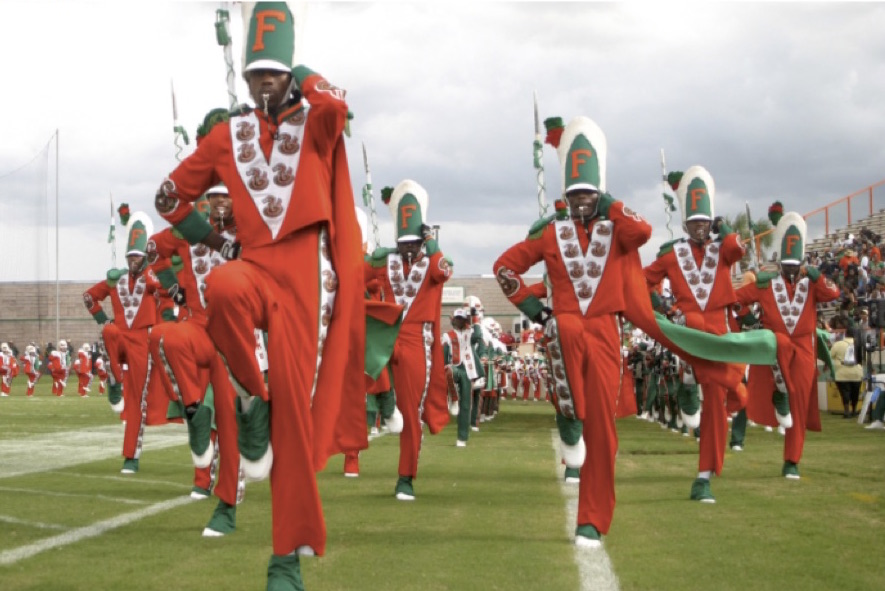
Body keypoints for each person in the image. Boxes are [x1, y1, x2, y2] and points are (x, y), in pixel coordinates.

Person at [153, 4, 365, 586]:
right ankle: (252, 399)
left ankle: (286, 558)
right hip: (253, 264)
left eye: (272, 73)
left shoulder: (315, 123)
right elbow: (169, 197)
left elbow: (338, 107)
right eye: (254, 75)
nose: (262, 83)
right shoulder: (228, 135)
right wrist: (216, 242)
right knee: (222, 286)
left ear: (289, 75)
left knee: (294, 423)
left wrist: (304, 72)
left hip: (307, 276)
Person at [493, 116, 653, 547]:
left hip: (605, 330)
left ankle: (592, 518)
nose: (582, 201)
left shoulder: (616, 228)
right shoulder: (549, 232)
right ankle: (569, 435)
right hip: (563, 327)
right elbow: (504, 267)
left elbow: (643, 231)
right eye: (575, 194)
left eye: (588, 194)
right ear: (565, 195)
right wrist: (537, 311)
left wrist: (610, 203)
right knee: (571, 407)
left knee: (602, 425)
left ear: (598, 193)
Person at [643, 166, 750, 504]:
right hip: (689, 333)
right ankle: (704, 476)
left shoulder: (722, 250)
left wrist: (724, 227)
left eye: (705, 222)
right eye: (695, 223)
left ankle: (734, 399)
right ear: (685, 225)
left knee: (730, 393)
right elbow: (641, 281)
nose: (700, 227)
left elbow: (738, 250)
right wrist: (662, 306)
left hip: (720, 333)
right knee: (710, 398)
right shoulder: (671, 254)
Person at [736, 211, 840, 479]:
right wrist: (747, 318)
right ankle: (778, 392)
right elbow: (736, 298)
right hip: (776, 346)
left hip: (804, 348)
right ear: (780, 262)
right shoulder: (767, 283)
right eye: (787, 265)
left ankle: (792, 460)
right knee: (779, 343)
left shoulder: (812, 284)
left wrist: (816, 276)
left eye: (795, 265)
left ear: (802, 262)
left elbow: (833, 293)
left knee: (800, 403)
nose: (791, 270)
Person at [364, 180, 451, 500]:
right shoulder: (385, 261)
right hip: (386, 335)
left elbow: (443, 271)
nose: (409, 249)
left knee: (411, 410)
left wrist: (431, 241)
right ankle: (383, 403)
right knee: (357, 359)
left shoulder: (432, 262)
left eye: (414, 243)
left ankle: (405, 477)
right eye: (404, 243)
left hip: (416, 340)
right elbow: (353, 275)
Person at [83, 212, 170, 473]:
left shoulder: (151, 277)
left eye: (137, 257)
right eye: (130, 257)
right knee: (109, 330)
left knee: (137, 401)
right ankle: (114, 379)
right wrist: (102, 318)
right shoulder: (115, 279)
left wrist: (155, 277)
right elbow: (89, 297)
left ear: (144, 258)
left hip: (143, 340)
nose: (133, 261)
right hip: (120, 336)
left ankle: (131, 456)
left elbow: (167, 292)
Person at [441, 308, 486, 447]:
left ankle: (462, 438)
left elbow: (478, 336)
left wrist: (475, 317)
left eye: (462, 319)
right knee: (448, 371)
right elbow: (444, 354)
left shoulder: (470, 332)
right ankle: (453, 399)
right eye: (457, 318)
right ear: (453, 319)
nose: (459, 321)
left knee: (466, 404)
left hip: (468, 370)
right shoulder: (447, 335)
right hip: (455, 367)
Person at [829, 316, 864, 418]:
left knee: (844, 392)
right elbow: (863, 358)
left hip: (842, 372)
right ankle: (854, 410)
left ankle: (846, 411)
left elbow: (831, 355)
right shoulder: (859, 344)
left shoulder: (838, 344)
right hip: (856, 372)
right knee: (855, 392)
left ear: (845, 333)